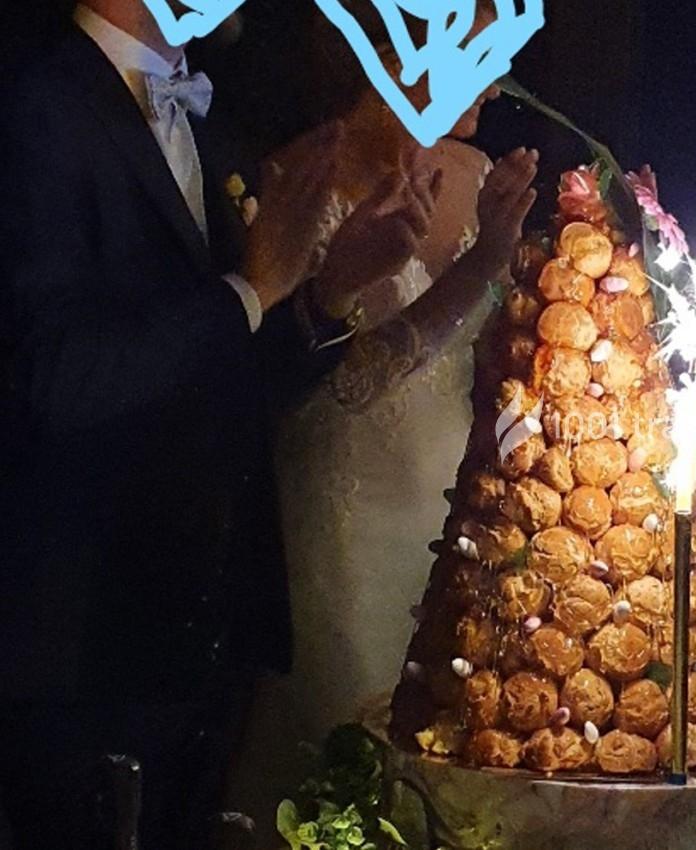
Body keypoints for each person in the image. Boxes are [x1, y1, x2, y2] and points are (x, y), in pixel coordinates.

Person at [0, 1, 438, 847]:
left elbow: (232, 378)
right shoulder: (34, 105)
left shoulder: (203, 113)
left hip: (204, 631)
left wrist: (326, 292)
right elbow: (50, 380)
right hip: (83, 640)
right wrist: (249, 290)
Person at [227, 0, 538, 823]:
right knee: (356, 785)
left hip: (460, 521)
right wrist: (481, 271)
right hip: (339, 535)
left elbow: (502, 370)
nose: (499, 80)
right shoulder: (299, 184)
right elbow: (331, 391)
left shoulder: (479, 181)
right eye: (478, 48)